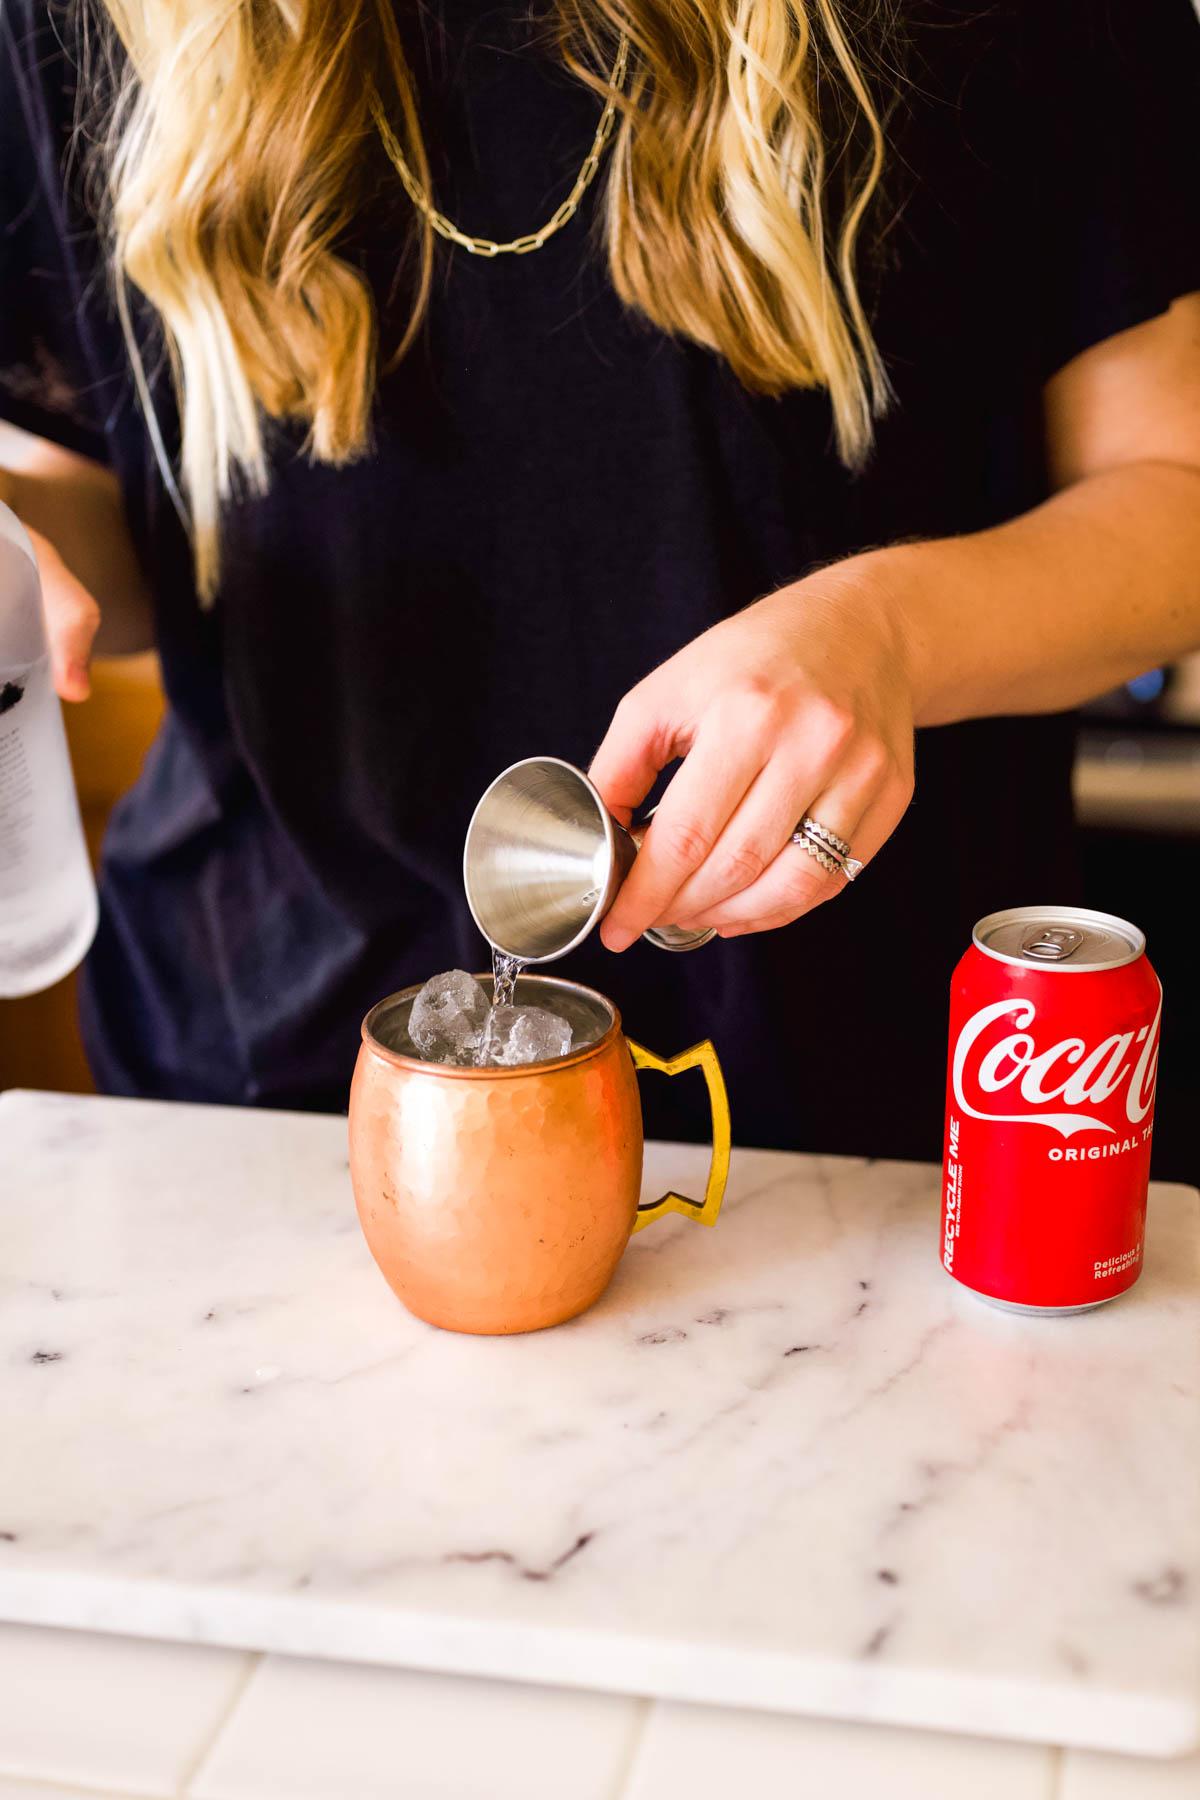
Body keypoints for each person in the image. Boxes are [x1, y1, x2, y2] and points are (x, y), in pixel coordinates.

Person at [1, 0, 1198, 1161]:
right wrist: (17, 542)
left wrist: (888, 631)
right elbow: (112, 505)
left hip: (854, 1113)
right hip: (254, 1094)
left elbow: (1175, 496)